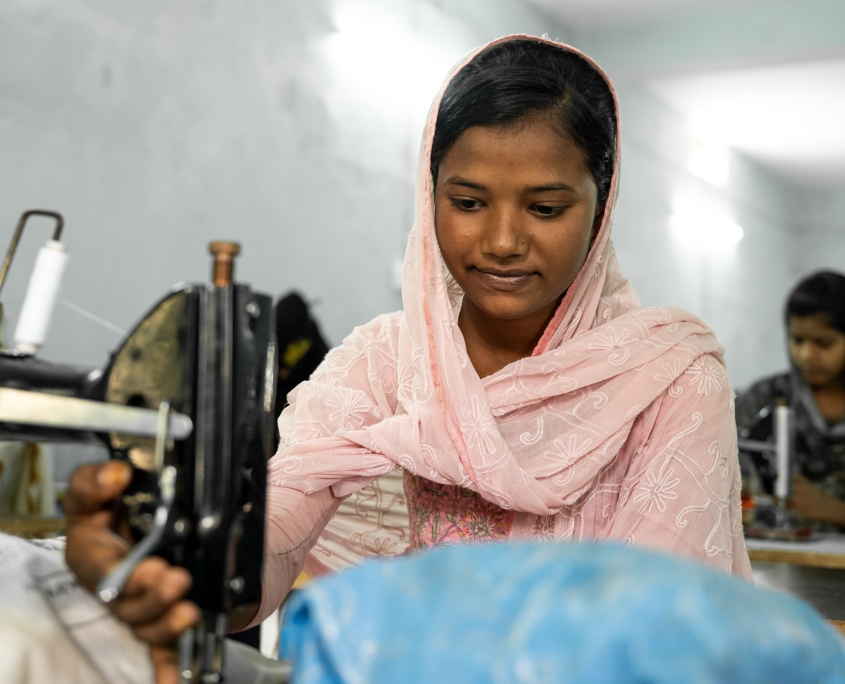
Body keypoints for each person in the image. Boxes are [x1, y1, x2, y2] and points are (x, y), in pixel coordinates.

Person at [64, 35, 752, 682]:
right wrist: (173, 567)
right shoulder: (385, 361)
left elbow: (659, 626)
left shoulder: (668, 376)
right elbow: (270, 544)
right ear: (430, 197)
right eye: (467, 202)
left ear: (600, 211)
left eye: (545, 208)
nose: (503, 240)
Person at [736, 270, 845, 527]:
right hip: (775, 558)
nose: (807, 354)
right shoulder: (765, 397)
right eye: (797, 340)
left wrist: (832, 509)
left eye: (824, 343)